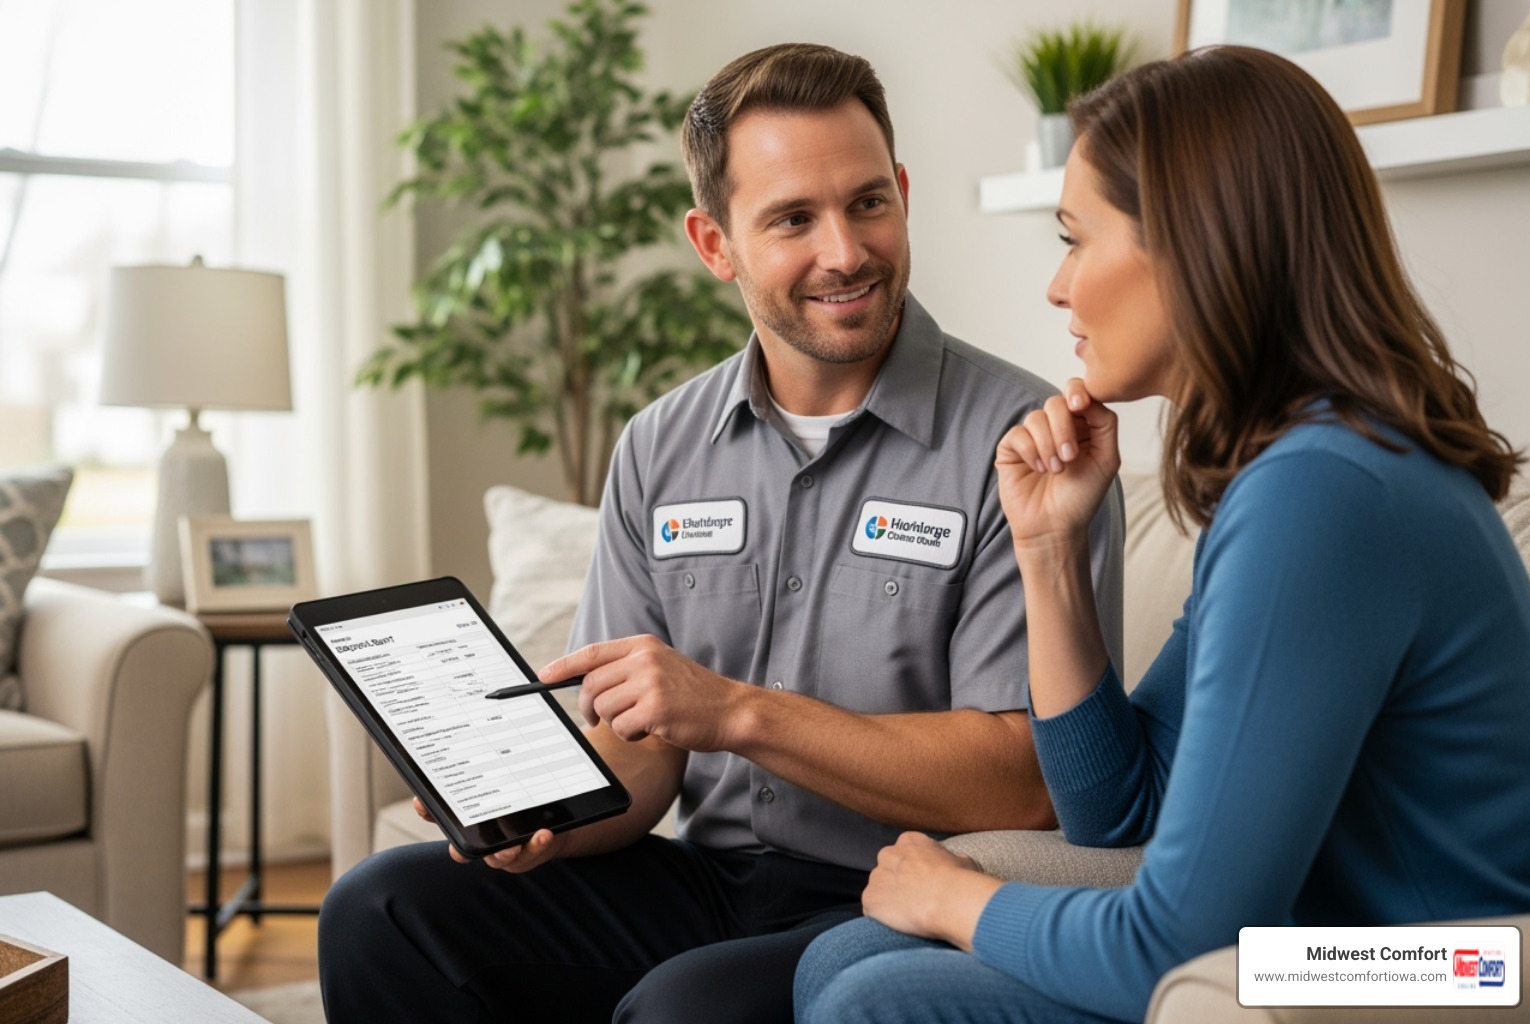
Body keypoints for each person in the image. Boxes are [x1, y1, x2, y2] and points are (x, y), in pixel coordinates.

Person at [318, 43, 1124, 1024]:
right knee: (379, 905)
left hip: (901, 897)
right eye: (793, 218)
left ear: (903, 194)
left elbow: (1021, 783)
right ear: (714, 243)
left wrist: (738, 711)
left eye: (868, 202)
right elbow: (644, 755)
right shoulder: (660, 445)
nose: (845, 250)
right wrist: (550, 816)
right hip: (704, 880)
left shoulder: (1029, 447)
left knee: (679, 1010)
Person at [794, 45, 1530, 1024]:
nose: (1058, 289)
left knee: (877, 996)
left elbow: (1179, 940)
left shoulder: (1323, 499)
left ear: (1192, 246)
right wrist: (1049, 550)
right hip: (1342, 945)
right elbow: (1114, 808)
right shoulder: (1305, 470)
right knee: (848, 952)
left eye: (1075, 238)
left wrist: (961, 900)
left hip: (1445, 971)